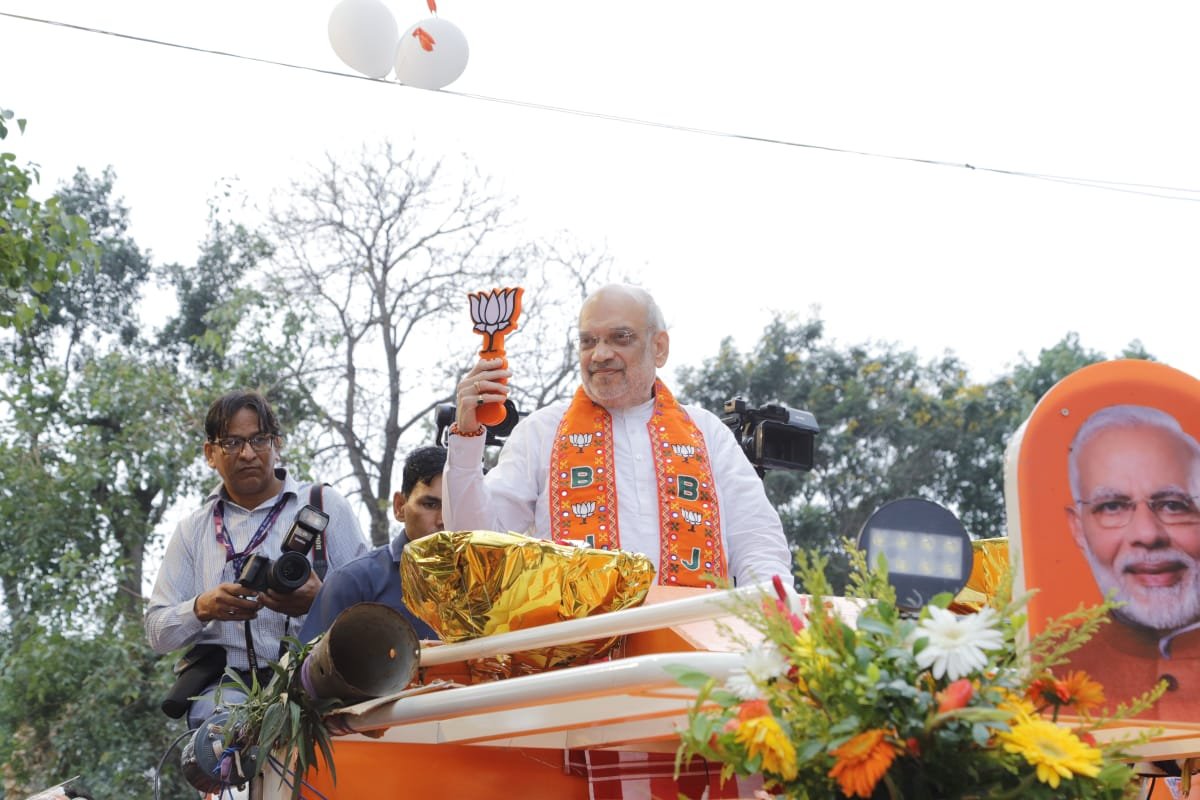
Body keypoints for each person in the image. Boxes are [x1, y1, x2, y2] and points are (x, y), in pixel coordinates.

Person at [443, 283, 791, 589]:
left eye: (620, 338)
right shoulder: (541, 431)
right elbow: (479, 544)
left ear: (659, 347)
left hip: (690, 653)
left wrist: (769, 624)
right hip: (579, 655)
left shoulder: (707, 433)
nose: (600, 354)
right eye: (588, 341)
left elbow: (757, 541)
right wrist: (467, 437)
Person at [145, 390, 370, 728]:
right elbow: (157, 633)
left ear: (277, 443)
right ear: (210, 453)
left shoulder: (323, 505)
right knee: (221, 741)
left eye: (259, 440)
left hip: (317, 679)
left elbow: (371, 608)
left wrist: (319, 601)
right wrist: (203, 607)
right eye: (232, 443)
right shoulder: (194, 529)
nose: (248, 454)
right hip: (228, 689)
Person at [1064, 403, 1200, 721]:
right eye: (1112, 507)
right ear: (1079, 529)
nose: (1147, 534)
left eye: (1173, 505)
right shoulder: (1048, 672)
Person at [298, 445, 445, 642]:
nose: (443, 519)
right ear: (400, 506)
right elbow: (306, 669)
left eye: (456, 506)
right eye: (430, 505)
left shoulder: (489, 583)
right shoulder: (352, 582)